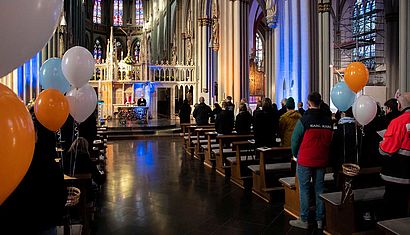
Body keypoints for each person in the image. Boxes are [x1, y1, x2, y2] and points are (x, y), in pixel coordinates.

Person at [0, 111, 67, 234]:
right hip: (44, 222)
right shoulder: (47, 161)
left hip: (20, 223)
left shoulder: (12, 160)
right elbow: (60, 193)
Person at [289, 92, 333, 230]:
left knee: (304, 189)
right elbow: (329, 141)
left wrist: (296, 154)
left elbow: (295, 139)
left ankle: (304, 219)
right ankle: (320, 219)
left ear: (308, 103)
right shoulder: (328, 121)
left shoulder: (305, 120)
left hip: (306, 159)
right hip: (321, 159)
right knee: (319, 189)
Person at [379, 92, 410, 219]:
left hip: (396, 174)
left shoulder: (398, 122)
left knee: (392, 211)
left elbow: (387, 150)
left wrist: (381, 144)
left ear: (400, 105)